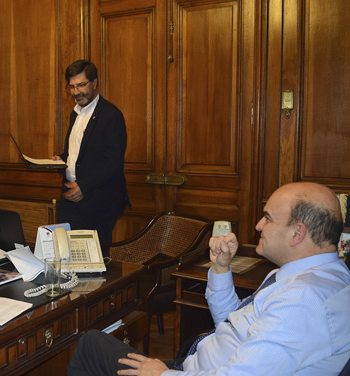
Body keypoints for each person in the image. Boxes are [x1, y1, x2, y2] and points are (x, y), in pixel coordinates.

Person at [66, 182, 350, 376]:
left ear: (297, 233)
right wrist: (222, 269)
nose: (258, 225)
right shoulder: (317, 276)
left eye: (268, 218)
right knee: (94, 343)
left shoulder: (304, 302)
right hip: (194, 365)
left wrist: (163, 373)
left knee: (90, 345)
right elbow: (229, 320)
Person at [52, 60, 129, 245]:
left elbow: (112, 162)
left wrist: (84, 187)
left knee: (94, 263)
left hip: (97, 203)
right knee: (66, 255)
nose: (76, 92)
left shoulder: (111, 115)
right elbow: (79, 152)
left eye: (81, 85)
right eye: (71, 87)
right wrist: (61, 160)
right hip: (70, 199)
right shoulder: (75, 113)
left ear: (94, 83)